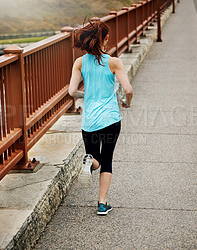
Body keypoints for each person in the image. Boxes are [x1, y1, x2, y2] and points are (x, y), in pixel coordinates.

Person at [68, 20, 133, 215]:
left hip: (90, 122)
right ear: (105, 38)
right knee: (107, 160)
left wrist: (85, 95)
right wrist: (126, 101)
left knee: (95, 158)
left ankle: (88, 161)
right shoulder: (114, 62)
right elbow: (128, 89)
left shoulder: (79, 62)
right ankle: (102, 204)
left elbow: (72, 91)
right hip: (111, 119)